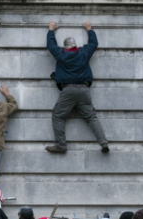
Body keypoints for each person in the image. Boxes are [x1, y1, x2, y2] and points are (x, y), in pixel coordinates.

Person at [45, 20, 109, 153]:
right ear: (75, 45)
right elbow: (94, 44)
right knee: (91, 117)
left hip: (68, 90)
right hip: (84, 90)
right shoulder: (83, 53)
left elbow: (51, 46)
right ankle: (103, 142)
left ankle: (61, 145)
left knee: (58, 116)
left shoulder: (62, 54)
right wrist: (89, 29)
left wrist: (51, 30)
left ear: (66, 47)